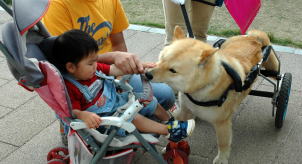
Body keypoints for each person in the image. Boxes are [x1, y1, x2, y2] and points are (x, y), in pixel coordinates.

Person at [42, 0, 175, 110]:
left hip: (110, 72)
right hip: (83, 81)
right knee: (147, 106)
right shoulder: (57, 3)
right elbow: (65, 64)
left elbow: (118, 42)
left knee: (167, 95)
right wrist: (113, 58)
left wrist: (122, 76)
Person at [51, 29, 195, 141]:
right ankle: (169, 131)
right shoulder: (69, 87)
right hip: (104, 118)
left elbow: (114, 69)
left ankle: (170, 121)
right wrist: (83, 114)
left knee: (149, 101)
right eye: (90, 63)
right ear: (71, 67)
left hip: (116, 101)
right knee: (134, 118)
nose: (95, 65)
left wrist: (141, 66)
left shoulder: (92, 69)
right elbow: (70, 112)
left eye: (95, 60)